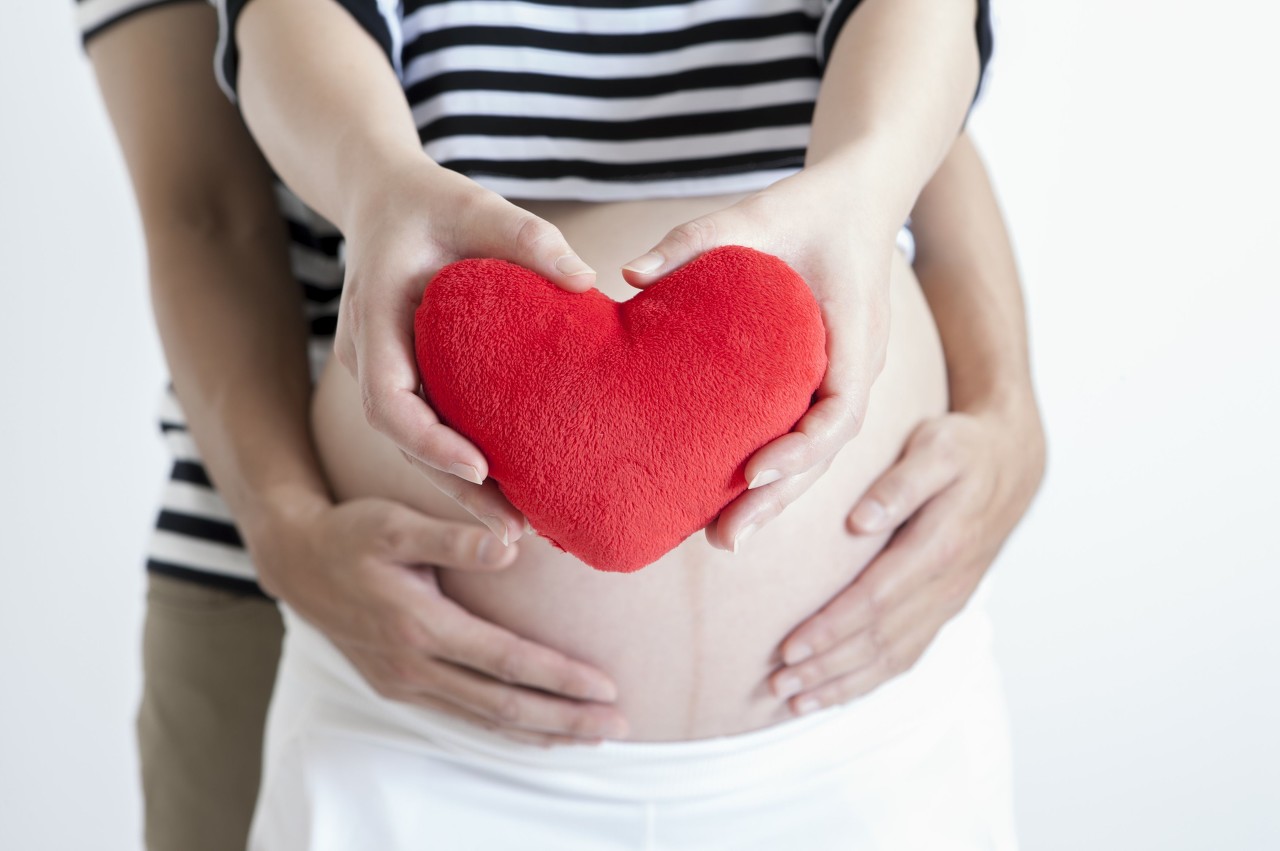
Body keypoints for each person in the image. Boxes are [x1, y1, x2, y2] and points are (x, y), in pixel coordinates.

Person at [77, 0, 1043, 845]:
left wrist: (1011, 416)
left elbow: (927, 134)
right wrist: (278, 521)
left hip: (864, 722)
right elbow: (205, 208)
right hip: (377, 682)